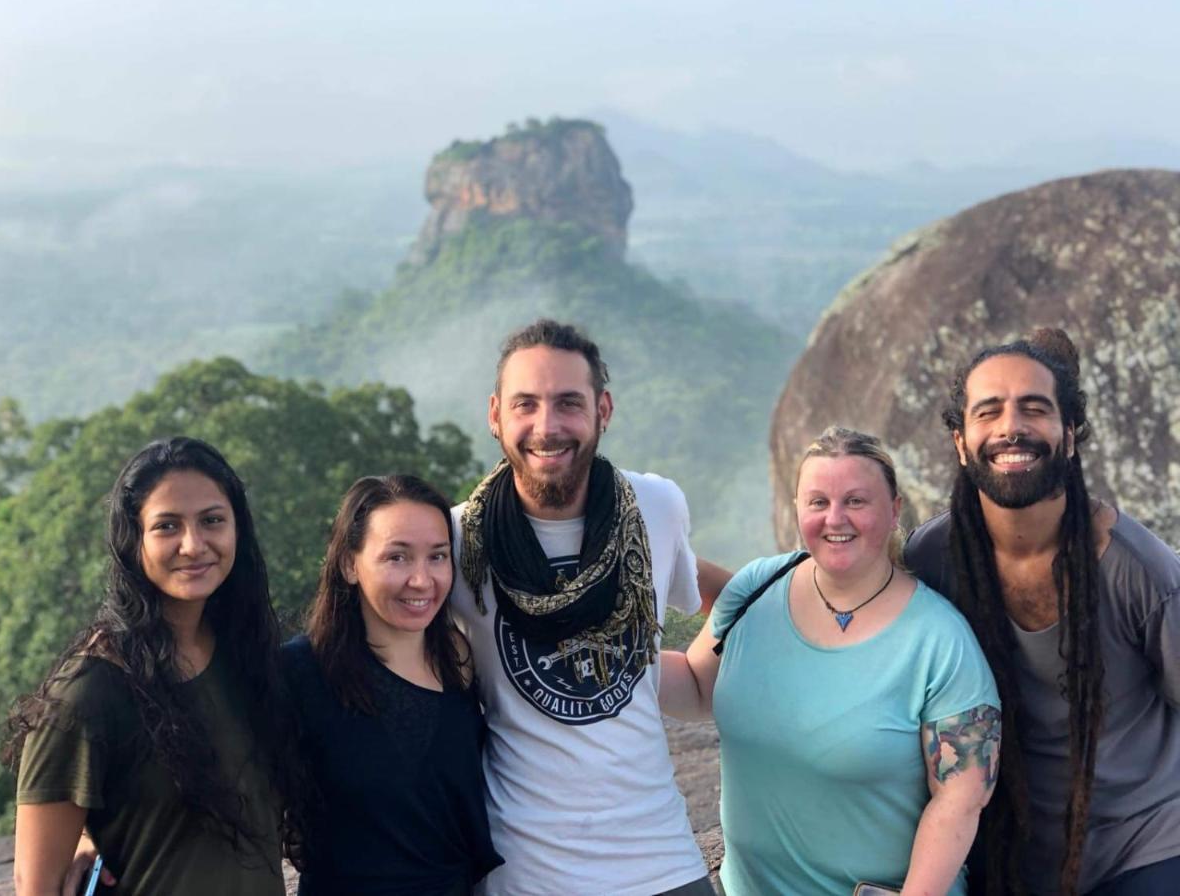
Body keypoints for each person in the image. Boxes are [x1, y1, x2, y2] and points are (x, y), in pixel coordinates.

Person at [660, 426, 1002, 895]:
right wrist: (608, 656)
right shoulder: (758, 587)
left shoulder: (938, 639)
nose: (835, 518)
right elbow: (698, 690)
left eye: (856, 501)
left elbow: (960, 798)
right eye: (817, 502)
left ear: (894, 509)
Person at [905, 329, 1180, 896]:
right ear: (961, 441)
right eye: (989, 411)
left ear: (1071, 434)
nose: (1011, 427)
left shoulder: (1139, 572)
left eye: (1035, 408)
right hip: (1003, 848)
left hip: (1144, 844)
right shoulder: (933, 558)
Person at [451, 318, 721, 895]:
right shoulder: (456, 543)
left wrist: (815, 592)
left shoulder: (656, 507)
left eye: (568, 403)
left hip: (663, 865)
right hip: (524, 876)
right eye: (527, 404)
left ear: (603, 410)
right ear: (495, 414)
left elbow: (716, 595)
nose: (547, 427)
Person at [9, 436, 294, 895]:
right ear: (132, 541)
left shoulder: (248, 658)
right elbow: (35, 883)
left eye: (212, 521)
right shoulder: (89, 692)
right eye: (166, 526)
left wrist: (89, 834)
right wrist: (82, 834)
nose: (193, 544)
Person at [280, 474, 502, 894]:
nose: (421, 580)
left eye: (437, 557)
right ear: (349, 564)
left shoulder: (462, 661)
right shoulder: (301, 671)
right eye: (397, 558)